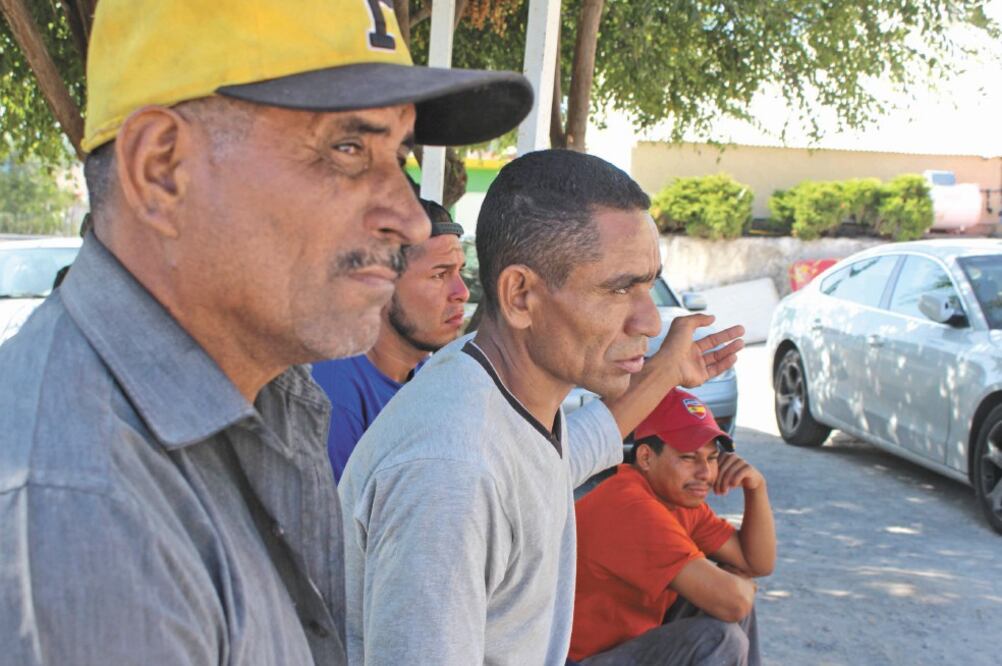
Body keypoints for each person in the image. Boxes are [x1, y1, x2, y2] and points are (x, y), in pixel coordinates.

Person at [0, 0, 532, 663]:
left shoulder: (264, 396)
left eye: (398, 154)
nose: (411, 218)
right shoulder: (80, 508)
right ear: (161, 169)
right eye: (348, 149)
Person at [339, 149, 745, 665]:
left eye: (647, 284)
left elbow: (558, 458)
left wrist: (666, 371)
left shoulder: (487, 377)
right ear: (520, 295)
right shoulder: (451, 475)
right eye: (620, 288)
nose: (648, 320)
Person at [570, 389, 776, 665]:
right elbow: (735, 601)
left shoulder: (678, 500)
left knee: (723, 599)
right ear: (646, 457)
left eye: (712, 458)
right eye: (688, 458)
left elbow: (756, 562)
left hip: (625, 647)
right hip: (576, 660)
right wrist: (742, 587)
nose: (705, 473)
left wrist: (756, 488)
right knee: (720, 635)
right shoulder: (630, 506)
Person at [312, 198, 469, 481]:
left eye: (460, 271)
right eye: (439, 275)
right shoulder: (333, 394)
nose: (462, 292)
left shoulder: (429, 378)